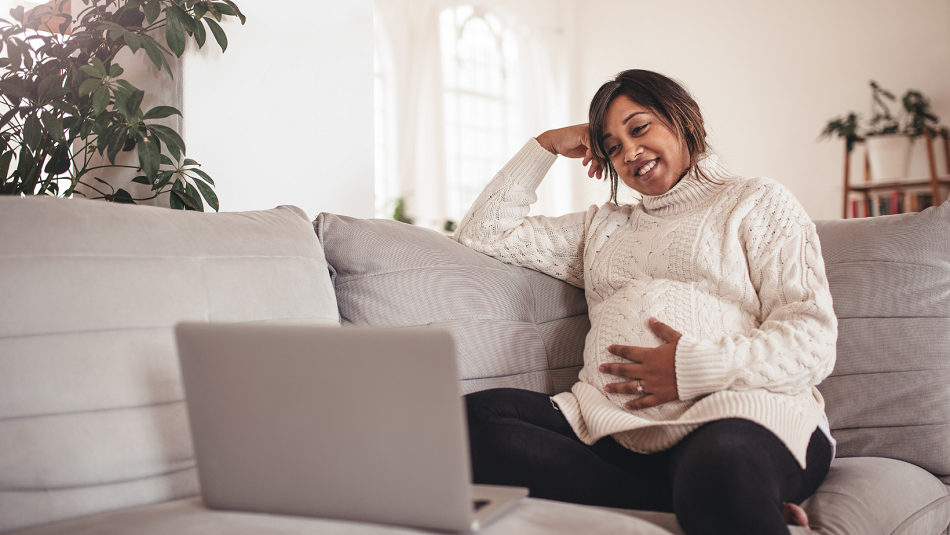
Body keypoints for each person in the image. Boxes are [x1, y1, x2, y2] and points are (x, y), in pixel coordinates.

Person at [453, 69, 837, 535]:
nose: (630, 152)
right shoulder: (601, 228)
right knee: (468, 424)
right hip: (608, 425)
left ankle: (722, 493)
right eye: (612, 145)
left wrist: (690, 370)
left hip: (738, 414)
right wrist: (546, 145)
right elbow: (484, 231)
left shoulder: (756, 201)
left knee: (720, 468)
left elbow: (812, 339)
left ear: (683, 117)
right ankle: (712, 504)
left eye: (639, 128)